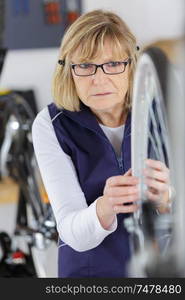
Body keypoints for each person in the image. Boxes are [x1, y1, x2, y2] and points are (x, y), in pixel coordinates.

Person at [32, 9, 172, 278]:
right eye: (85, 66)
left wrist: (167, 199)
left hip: (161, 273)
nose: (99, 78)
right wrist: (105, 206)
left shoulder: (164, 111)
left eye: (113, 64)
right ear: (69, 70)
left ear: (131, 65)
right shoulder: (52, 124)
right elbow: (72, 232)